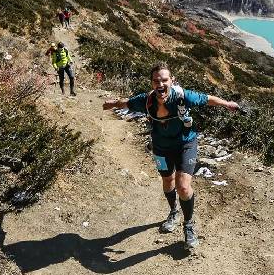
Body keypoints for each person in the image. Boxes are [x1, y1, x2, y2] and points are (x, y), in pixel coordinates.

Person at [102, 63, 239, 251]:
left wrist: (227, 104)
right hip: (161, 147)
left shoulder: (183, 97)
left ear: (171, 81)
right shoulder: (146, 100)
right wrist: (112, 104)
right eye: (156, 80)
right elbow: (126, 103)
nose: (160, 84)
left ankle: (188, 225)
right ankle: (173, 212)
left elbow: (207, 99)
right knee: (167, 181)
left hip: (185, 144)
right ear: (151, 83)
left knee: (183, 186)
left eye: (164, 80)